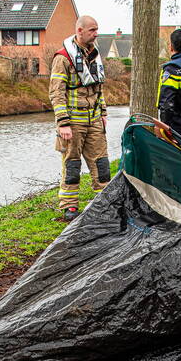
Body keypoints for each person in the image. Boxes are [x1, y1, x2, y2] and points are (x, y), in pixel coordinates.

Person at [49, 15, 110, 222]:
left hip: (93, 119)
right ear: (80, 31)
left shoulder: (95, 55)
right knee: (72, 165)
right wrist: (63, 123)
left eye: (97, 29)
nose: (96, 33)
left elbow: (98, 88)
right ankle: (69, 207)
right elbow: (56, 93)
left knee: (101, 163)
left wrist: (103, 113)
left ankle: (105, 203)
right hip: (73, 121)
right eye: (92, 30)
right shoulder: (63, 58)